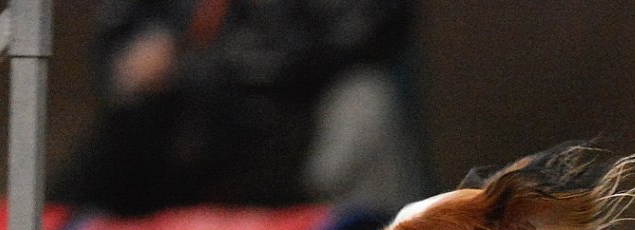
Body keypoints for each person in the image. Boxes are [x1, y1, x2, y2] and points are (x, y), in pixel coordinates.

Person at [53, 0, 426, 216]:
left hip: (298, 113)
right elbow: (121, 35)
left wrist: (233, 60)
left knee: (365, 103)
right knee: (115, 148)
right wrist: (140, 55)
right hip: (188, 125)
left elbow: (369, 24)